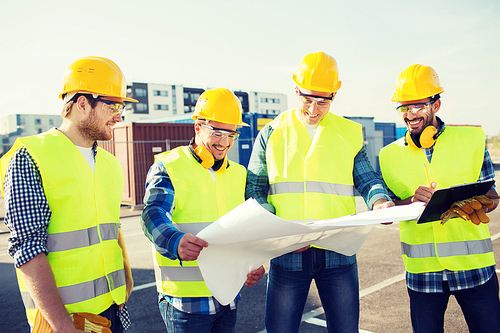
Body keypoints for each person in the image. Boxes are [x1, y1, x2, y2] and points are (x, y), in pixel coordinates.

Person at [245, 51, 394, 333]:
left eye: (323, 100)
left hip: (338, 252)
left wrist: (380, 201)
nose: (314, 109)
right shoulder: (271, 132)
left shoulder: (349, 132)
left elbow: (367, 178)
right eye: (307, 99)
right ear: (296, 90)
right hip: (287, 254)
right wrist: (279, 230)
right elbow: (255, 191)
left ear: (334, 95)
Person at [0, 56, 137, 332]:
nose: (119, 115)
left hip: (111, 312)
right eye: (113, 105)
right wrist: (62, 325)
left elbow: (110, 231)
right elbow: (28, 248)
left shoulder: (109, 163)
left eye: (121, 107)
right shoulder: (31, 156)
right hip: (63, 322)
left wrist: (124, 285)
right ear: (82, 104)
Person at [379, 64, 500, 333]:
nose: (410, 115)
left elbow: (492, 196)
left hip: (474, 268)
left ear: (437, 104)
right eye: (404, 108)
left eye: (418, 106)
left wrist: (476, 201)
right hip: (423, 275)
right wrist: (409, 203)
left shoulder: (472, 140)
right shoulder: (388, 155)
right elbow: (386, 210)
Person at [140, 87, 265, 333]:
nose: (224, 142)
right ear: (197, 127)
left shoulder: (239, 174)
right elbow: (152, 213)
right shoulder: (169, 166)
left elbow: (245, 228)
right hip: (185, 302)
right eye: (217, 132)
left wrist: (253, 262)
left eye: (232, 134)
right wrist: (174, 241)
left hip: (227, 295)